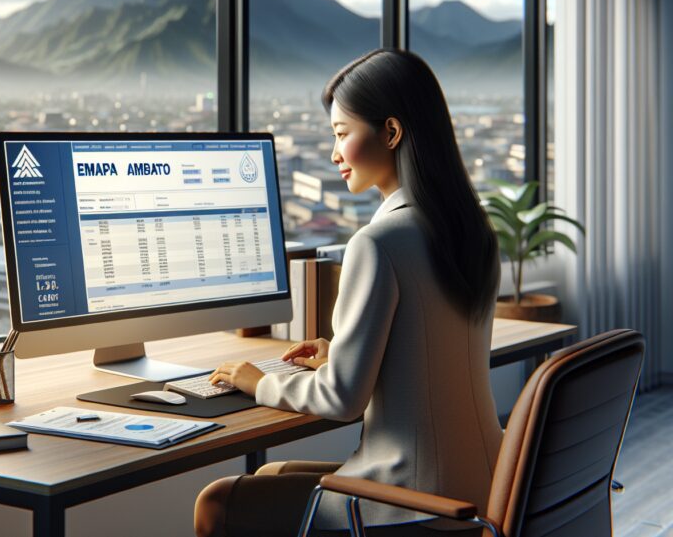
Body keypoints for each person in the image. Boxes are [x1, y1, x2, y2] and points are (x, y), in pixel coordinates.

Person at [195, 49, 503, 537]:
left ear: (392, 133)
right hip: (483, 493)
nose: (334, 153)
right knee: (270, 474)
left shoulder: (378, 243)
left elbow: (342, 400)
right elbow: (431, 353)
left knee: (218, 503)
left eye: (342, 134)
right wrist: (341, 354)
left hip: (413, 505)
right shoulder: (472, 231)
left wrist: (257, 380)